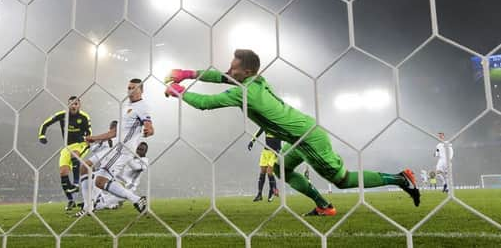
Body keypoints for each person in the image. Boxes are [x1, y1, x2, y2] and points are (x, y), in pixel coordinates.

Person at [164, 49, 420, 216]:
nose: (229, 71)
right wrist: (188, 74)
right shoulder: (257, 81)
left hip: (308, 140)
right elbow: (221, 76)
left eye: (234, 68)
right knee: (280, 168)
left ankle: (399, 179)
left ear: (248, 72)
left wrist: (177, 89)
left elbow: (205, 104)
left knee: (343, 181)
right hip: (300, 134)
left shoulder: (245, 92)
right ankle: (323, 206)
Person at [78, 79, 154, 216]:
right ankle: (136, 200)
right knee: (98, 180)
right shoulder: (126, 106)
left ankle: (91, 206)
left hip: (123, 150)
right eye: (129, 87)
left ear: (141, 90)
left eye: (133, 88)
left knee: (99, 180)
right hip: (117, 149)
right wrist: (94, 138)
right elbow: (114, 133)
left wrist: (149, 130)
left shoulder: (142, 107)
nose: (130, 90)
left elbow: (149, 124)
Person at [38, 96, 92, 210]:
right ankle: (70, 200)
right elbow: (45, 124)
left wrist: (88, 142)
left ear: (79, 105)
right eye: (71, 104)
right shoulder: (62, 115)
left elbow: (89, 133)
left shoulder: (84, 117)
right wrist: (42, 136)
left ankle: (76, 183)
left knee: (75, 154)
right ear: (68, 105)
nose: (73, 106)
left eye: (76, 104)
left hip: (80, 144)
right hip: (67, 147)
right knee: (63, 172)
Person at [93, 142, 150, 211]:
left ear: (145, 152)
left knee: (102, 204)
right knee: (96, 176)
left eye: (141, 150)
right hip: (118, 182)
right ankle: (92, 202)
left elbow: (136, 167)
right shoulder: (130, 157)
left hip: (128, 188)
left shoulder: (144, 160)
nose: (138, 151)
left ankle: (93, 204)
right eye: (137, 149)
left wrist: (127, 156)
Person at [248, 128, 280, 202]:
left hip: (274, 152)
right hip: (265, 151)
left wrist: (279, 149)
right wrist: (252, 141)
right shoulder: (265, 125)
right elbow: (258, 132)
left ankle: (272, 191)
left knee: (269, 172)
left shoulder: (277, 125)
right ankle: (259, 194)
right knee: (262, 172)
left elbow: (282, 138)